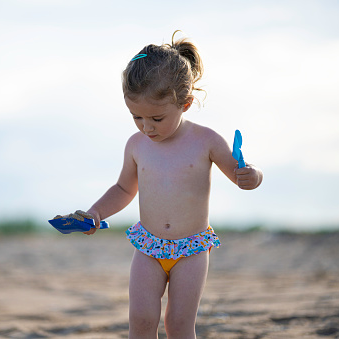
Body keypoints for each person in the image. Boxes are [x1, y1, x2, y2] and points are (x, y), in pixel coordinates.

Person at [81, 31, 263, 338]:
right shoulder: (137, 145)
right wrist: (95, 213)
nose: (146, 127)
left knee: (178, 324)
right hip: (148, 247)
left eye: (156, 117)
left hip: (191, 249)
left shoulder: (206, 141)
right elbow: (125, 189)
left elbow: (241, 177)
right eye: (136, 117)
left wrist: (252, 175)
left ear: (186, 103)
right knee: (140, 318)